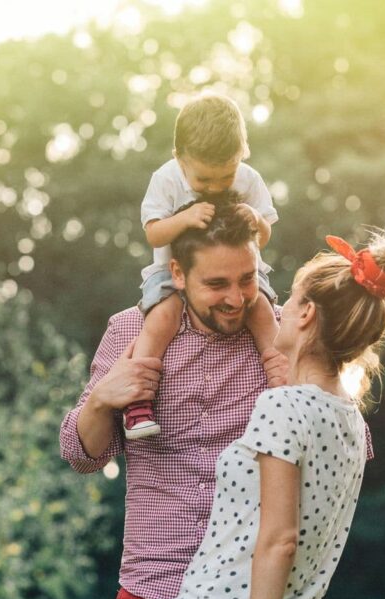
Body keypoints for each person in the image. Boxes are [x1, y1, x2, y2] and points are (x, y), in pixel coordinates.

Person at [149, 232, 385, 599]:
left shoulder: (283, 406)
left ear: (307, 313)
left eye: (292, 299)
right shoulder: (352, 422)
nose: (279, 309)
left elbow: (281, 539)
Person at [59, 200, 288, 599]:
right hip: (154, 594)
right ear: (178, 274)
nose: (235, 298)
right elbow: (81, 454)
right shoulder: (130, 330)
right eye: (217, 284)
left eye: (247, 279)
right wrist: (102, 401)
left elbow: (336, 450)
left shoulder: (283, 336)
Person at [123, 92, 281, 440]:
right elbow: (154, 234)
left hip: (239, 269)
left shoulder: (249, 179)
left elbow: (264, 237)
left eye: (224, 179)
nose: (213, 189)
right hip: (170, 273)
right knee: (160, 319)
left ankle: (283, 385)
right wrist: (186, 218)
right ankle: (137, 404)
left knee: (263, 312)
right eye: (203, 181)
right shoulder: (166, 179)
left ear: (242, 155)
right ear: (179, 158)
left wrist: (255, 219)